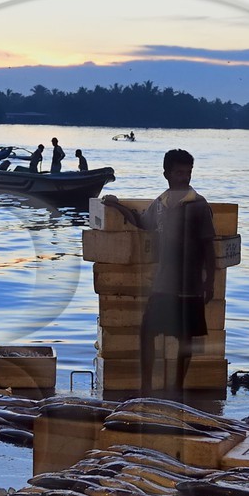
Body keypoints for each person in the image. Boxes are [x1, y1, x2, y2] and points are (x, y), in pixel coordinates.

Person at [101, 148, 216, 394]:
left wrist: (210, 283)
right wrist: (117, 205)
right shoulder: (161, 203)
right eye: (178, 173)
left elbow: (209, 246)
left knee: (185, 338)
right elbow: (142, 222)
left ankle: (177, 387)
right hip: (164, 282)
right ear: (167, 174)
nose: (184, 177)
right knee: (148, 332)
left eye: (188, 172)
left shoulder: (198, 205)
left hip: (191, 284)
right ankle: (146, 386)